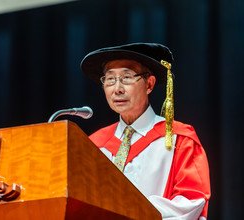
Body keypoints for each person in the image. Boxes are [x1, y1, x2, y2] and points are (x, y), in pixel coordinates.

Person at [80, 43, 211, 219]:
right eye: (110, 79)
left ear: (149, 84)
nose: (117, 89)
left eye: (126, 77)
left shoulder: (179, 139)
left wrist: (129, 209)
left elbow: (190, 203)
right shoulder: (93, 144)